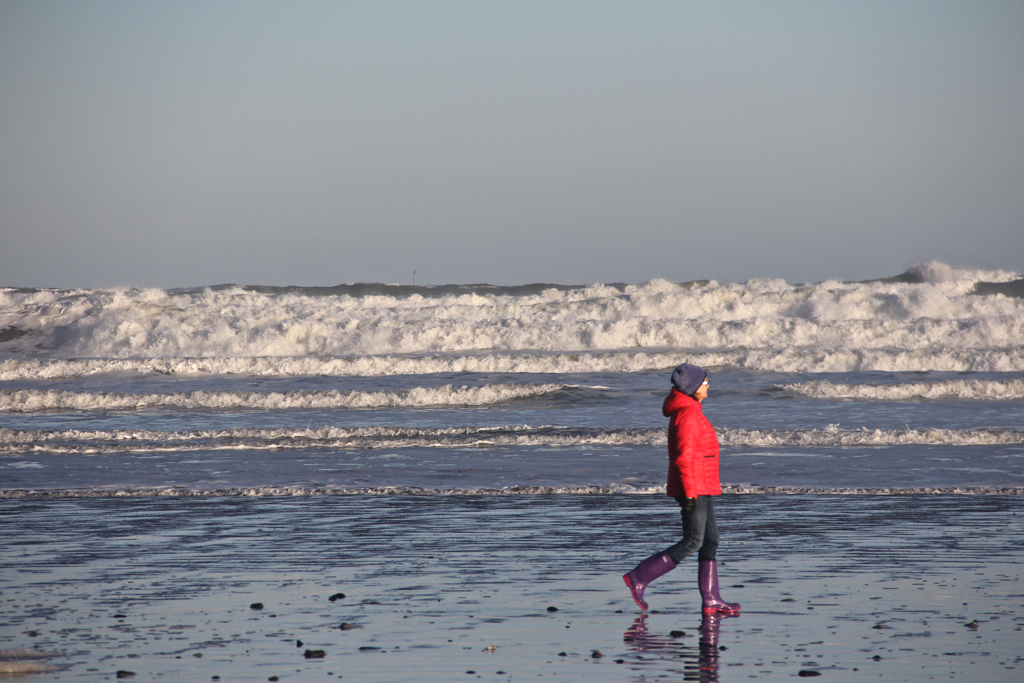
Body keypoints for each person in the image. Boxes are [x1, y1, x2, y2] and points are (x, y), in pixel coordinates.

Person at [622, 362, 740, 615]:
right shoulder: (688, 413)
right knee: (694, 540)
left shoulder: (692, 409)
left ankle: (711, 600)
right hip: (693, 487)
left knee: (710, 541)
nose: (708, 385)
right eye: (705, 381)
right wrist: (688, 493)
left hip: (702, 484)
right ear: (694, 386)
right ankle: (639, 577)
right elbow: (684, 457)